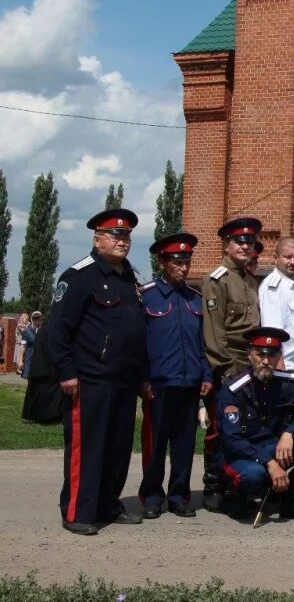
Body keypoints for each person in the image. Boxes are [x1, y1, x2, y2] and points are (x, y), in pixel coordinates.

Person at [49, 208, 147, 535]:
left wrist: (141, 376)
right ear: (98, 238)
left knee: (117, 449)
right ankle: (78, 511)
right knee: (87, 448)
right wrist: (66, 372)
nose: (123, 242)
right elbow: (58, 330)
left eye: (127, 236)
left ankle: (107, 504)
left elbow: (136, 330)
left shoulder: (128, 277)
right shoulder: (79, 276)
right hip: (89, 379)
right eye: (116, 235)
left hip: (123, 380)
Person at [138, 232, 214, 519]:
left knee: (184, 444)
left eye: (187, 262)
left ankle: (180, 495)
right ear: (162, 262)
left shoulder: (193, 299)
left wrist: (205, 374)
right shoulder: (146, 296)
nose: (184, 268)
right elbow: (139, 344)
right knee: (155, 444)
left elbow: (201, 343)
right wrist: (142, 379)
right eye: (177, 262)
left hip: (189, 383)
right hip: (158, 385)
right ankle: (153, 496)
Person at [217, 327, 294, 523]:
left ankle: (292, 499)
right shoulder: (233, 389)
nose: (266, 361)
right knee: (253, 475)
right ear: (249, 355)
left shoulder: (286, 383)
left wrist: (290, 434)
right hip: (246, 452)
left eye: (272, 355)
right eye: (260, 354)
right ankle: (235, 495)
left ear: (279, 356)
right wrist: (269, 462)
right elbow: (231, 439)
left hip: (276, 446)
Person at [200, 216, 263, 512]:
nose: (245, 246)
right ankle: (213, 485)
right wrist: (225, 372)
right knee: (219, 430)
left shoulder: (249, 279)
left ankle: (235, 485)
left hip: (250, 368)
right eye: (239, 241)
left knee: (243, 430)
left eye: (249, 242)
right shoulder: (217, 281)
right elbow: (214, 332)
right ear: (226, 244)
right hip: (229, 368)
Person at [258, 238, 294, 376]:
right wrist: (278, 365)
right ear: (276, 258)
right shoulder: (274, 287)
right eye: (288, 257)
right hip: (285, 367)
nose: (293, 262)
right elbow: (272, 329)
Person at [19, 311, 42, 378]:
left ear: (41, 320)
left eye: (39, 319)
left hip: (41, 361)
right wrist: (20, 361)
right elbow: (22, 347)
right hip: (29, 361)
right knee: (31, 382)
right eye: (35, 319)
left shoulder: (44, 331)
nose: (37, 321)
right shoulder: (26, 331)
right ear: (32, 319)